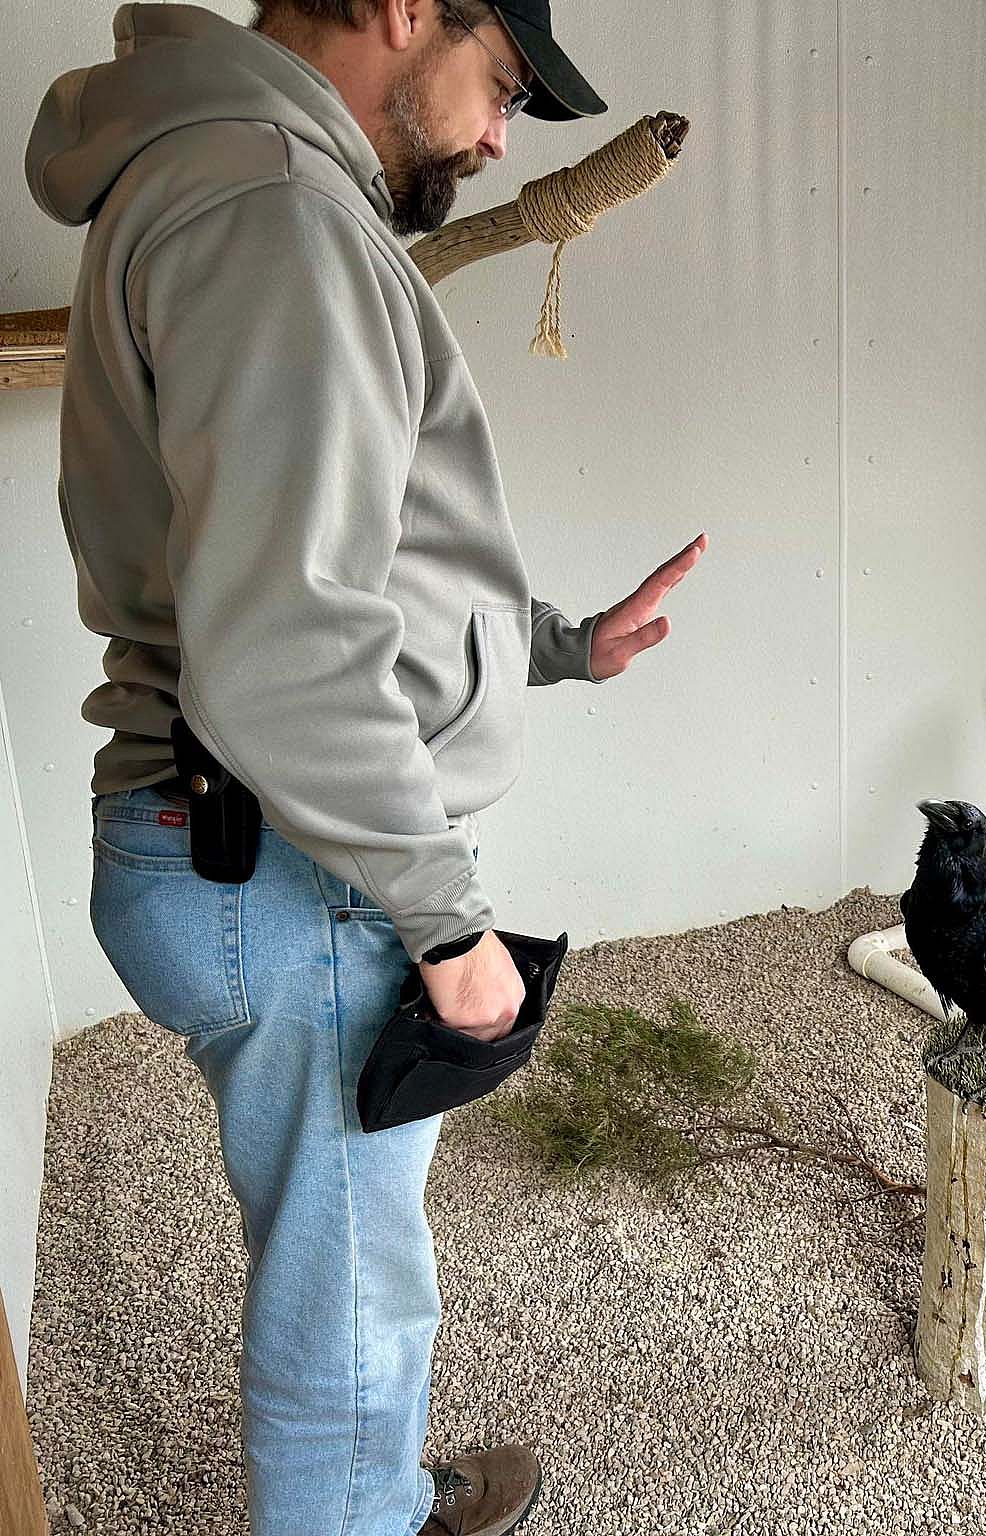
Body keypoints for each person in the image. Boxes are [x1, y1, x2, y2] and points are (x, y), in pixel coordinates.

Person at [25, 1, 706, 1531]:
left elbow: (334, 553)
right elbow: (285, 640)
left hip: (238, 839)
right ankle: (355, 1504)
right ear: (407, 10)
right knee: (350, 1282)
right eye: (502, 88)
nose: (494, 139)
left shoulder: (237, 177)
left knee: (347, 1252)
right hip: (274, 863)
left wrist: (553, 643)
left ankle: (375, 1485)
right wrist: (447, 924)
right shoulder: (270, 201)